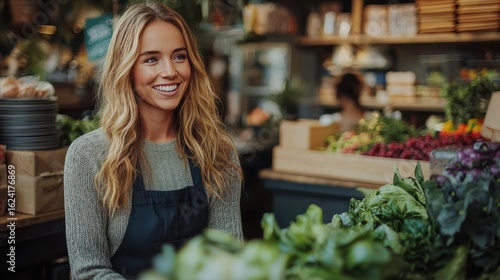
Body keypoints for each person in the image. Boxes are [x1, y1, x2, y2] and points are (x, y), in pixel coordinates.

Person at [63, 2, 244, 279]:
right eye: (151, 59)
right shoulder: (89, 155)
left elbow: (228, 261)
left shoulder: (217, 152)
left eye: (179, 56)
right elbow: (89, 272)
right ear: (126, 69)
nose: (170, 71)